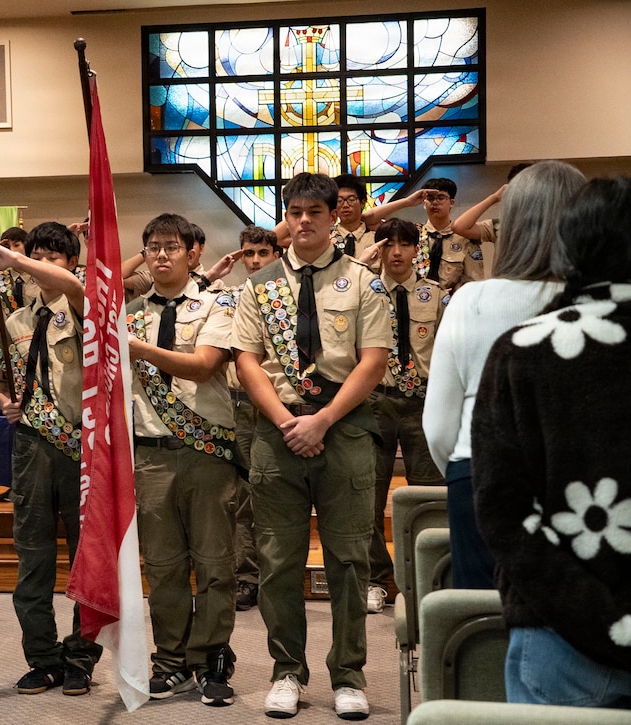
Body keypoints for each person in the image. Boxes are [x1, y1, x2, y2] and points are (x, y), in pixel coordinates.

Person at [233, 172, 391, 720]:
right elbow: (247, 360)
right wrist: (285, 422)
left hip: (344, 432)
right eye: (295, 211)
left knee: (349, 560)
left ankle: (348, 675)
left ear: (334, 217)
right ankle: (286, 671)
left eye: (315, 213)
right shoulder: (260, 285)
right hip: (277, 437)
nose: (304, 221)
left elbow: (373, 361)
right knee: (278, 561)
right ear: (287, 216)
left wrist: (321, 420)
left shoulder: (363, 282)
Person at [473, 175, 631, 709]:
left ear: (565, 253)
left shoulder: (524, 349)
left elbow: (501, 508)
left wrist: (598, 618)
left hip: (559, 637)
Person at [423, 160, 587, 589]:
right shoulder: (606, 304)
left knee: (485, 623)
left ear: (512, 224)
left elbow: (439, 426)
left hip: (482, 470)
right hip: (587, 478)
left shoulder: (471, 300)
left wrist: (469, 471)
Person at [0, 222, 102, 697]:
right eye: (38, 256)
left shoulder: (82, 307)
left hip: (80, 450)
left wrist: (15, 259)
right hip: (31, 449)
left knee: (84, 560)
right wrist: (2, 402)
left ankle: (80, 658)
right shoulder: (14, 321)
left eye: (56, 256)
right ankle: (43, 656)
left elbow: (74, 287)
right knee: (33, 560)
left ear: (71, 262)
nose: (46, 266)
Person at [128, 213, 239, 707]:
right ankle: (170, 660)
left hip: (205, 453)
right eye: (152, 247)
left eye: (171, 246)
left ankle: (212, 657)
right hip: (150, 455)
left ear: (193, 252)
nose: (161, 255)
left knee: (215, 563)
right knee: (165, 565)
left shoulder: (218, 303)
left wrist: (136, 349)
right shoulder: (128, 312)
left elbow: (204, 365)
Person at [365, 219, 447, 614]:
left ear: (418, 250)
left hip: (423, 403)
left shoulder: (437, 296)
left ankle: (426, 579)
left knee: (428, 495)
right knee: (369, 494)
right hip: (375, 401)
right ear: (378, 249)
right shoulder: (363, 293)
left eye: (404, 245)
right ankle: (375, 579)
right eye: (389, 245)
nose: (396, 252)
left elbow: (447, 355)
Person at [230, 224, 280, 612]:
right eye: (249, 254)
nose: (255, 260)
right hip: (237, 405)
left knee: (275, 497)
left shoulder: (288, 299)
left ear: (276, 255)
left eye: (263, 253)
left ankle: (277, 574)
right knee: (243, 498)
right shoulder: (229, 299)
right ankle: (247, 577)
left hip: (279, 405)